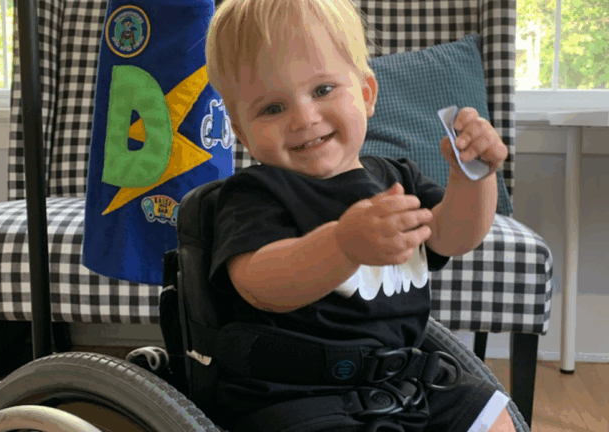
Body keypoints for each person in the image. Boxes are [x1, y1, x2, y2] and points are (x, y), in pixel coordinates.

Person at [204, 0, 515, 430]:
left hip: (402, 381)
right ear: (242, 131)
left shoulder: (397, 179)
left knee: (490, 414)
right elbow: (257, 282)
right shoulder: (256, 193)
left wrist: (474, 177)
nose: (304, 118)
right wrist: (341, 246)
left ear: (367, 94)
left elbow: (454, 236)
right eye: (272, 108)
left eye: (322, 90)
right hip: (296, 395)